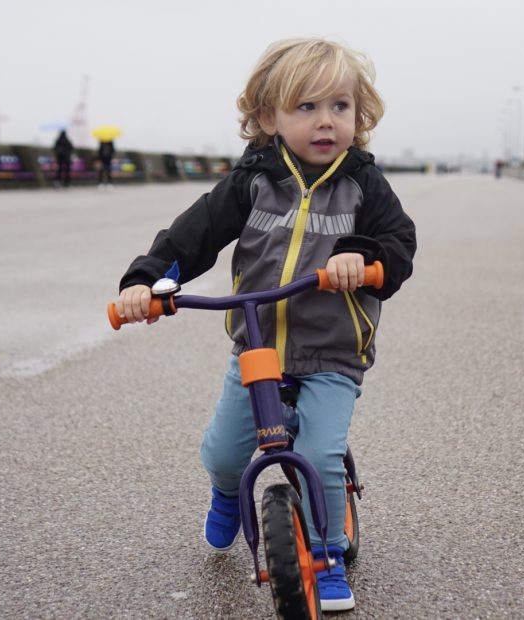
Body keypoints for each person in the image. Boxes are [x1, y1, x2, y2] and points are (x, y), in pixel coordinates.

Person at [115, 38, 416, 612]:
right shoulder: (253, 181)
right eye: (306, 107)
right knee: (226, 452)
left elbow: (399, 245)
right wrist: (145, 280)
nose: (326, 121)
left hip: (333, 353)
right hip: (258, 350)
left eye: (340, 107)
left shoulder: (363, 185)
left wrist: (361, 256)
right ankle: (228, 493)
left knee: (321, 457)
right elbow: (193, 235)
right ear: (267, 117)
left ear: (360, 114)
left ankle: (327, 557)